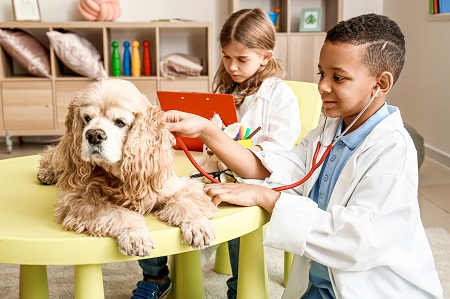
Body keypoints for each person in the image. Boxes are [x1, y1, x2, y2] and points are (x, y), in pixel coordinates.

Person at [164, 13, 444, 299]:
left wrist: (266, 197)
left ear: (381, 84)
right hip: (322, 284)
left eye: (338, 77)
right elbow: (273, 168)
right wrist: (207, 131)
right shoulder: (329, 131)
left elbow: (358, 240)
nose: (322, 85)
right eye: (322, 73)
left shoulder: (393, 150)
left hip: (370, 290)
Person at [131, 8, 300, 299]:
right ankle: (156, 276)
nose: (232, 66)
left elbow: (274, 158)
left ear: (266, 57)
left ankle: (238, 289)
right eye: (226, 56)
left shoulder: (279, 96)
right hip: (214, 171)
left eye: (242, 59)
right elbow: (214, 137)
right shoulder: (225, 88)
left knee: (235, 220)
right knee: (149, 193)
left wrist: (223, 141)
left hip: (256, 182)